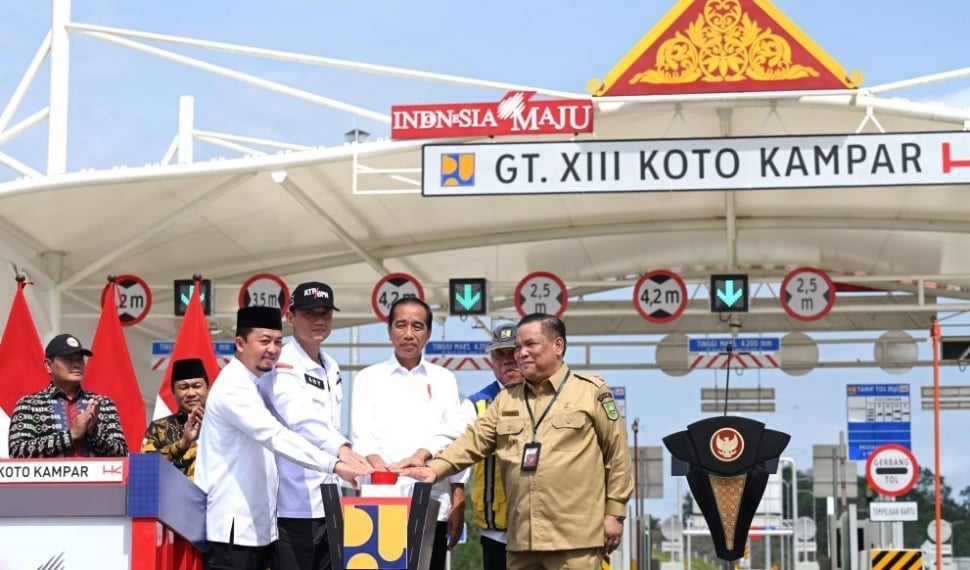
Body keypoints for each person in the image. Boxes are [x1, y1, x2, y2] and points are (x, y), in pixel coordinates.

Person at [393, 313, 634, 570]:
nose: (521, 354)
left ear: (558, 346)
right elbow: (471, 442)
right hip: (521, 542)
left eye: (531, 345)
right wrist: (433, 469)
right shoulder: (505, 400)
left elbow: (617, 458)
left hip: (573, 542)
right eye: (519, 347)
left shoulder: (591, 393)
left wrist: (614, 514)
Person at [195, 306, 371, 570]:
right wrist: (334, 463)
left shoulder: (256, 381)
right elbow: (276, 436)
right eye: (264, 341)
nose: (273, 349)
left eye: (278, 341)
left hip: (259, 529)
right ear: (240, 343)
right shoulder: (233, 387)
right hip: (232, 532)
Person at [351, 296, 468, 570]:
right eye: (400, 325)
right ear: (389, 329)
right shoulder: (368, 378)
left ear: (428, 333)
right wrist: (386, 474)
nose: (408, 334)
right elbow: (362, 438)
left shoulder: (444, 379)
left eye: (417, 326)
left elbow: (454, 442)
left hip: (432, 502)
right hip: (380, 500)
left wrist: (458, 498)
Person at [260, 281, 370, 570]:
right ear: (291, 317)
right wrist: (342, 449)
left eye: (326, 313)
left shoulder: (331, 365)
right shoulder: (281, 360)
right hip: (289, 505)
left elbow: (330, 423)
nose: (319, 320)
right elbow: (300, 417)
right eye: (310, 313)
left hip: (329, 500)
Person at [8, 333, 127, 458]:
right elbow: (17, 452)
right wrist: (70, 435)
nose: (77, 365)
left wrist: (93, 432)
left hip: (95, 478)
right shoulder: (29, 404)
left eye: (80, 359)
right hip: (49, 477)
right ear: (49, 365)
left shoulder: (103, 404)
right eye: (69, 359)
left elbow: (122, 454)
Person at [466, 323, 522, 570]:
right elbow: (452, 447)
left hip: (542, 531)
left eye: (513, 353)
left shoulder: (550, 399)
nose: (507, 361)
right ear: (491, 361)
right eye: (500, 355)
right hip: (495, 530)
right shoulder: (476, 404)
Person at [141, 357, 209, 479]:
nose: (191, 393)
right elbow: (143, 467)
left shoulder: (223, 424)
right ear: (173, 391)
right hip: (173, 496)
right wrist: (183, 444)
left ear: (207, 388)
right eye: (184, 387)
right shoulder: (159, 427)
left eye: (197, 386)